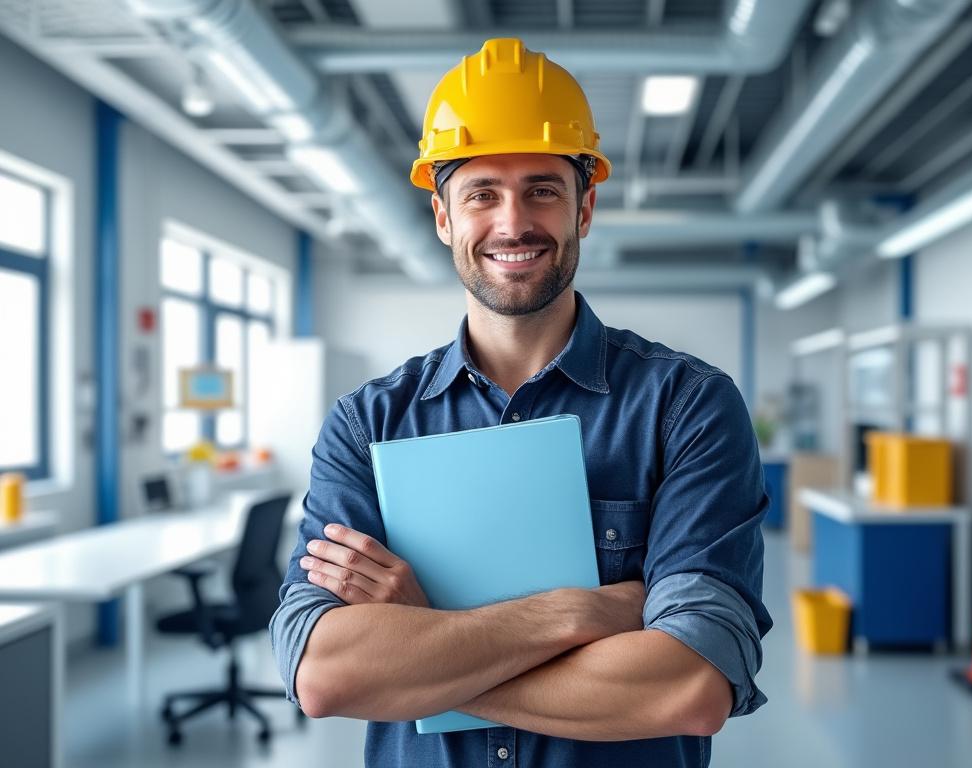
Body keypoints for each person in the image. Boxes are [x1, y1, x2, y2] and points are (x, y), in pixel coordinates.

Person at [271, 37, 771, 768]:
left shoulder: (686, 408)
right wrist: (580, 611)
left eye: (542, 188)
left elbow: (688, 688)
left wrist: (422, 641)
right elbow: (324, 671)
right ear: (443, 218)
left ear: (584, 208)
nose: (512, 223)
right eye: (481, 194)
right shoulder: (367, 425)